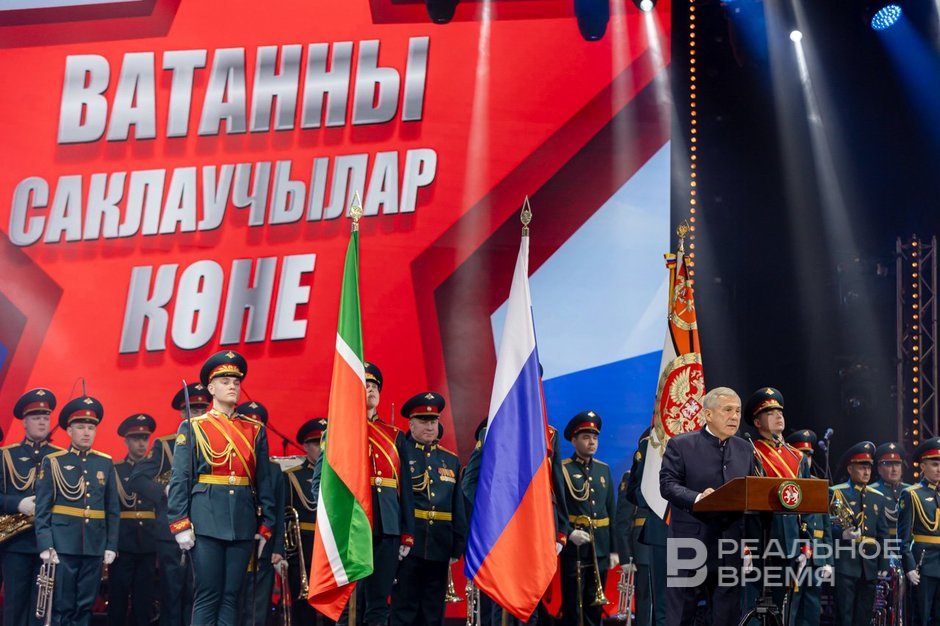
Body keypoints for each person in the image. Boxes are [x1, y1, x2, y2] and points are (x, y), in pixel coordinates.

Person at [166, 351, 277, 626]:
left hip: (242, 519)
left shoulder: (254, 430)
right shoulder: (193, 427)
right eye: (225, 381)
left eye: (236, 382)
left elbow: (264, 481)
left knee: (231, 596)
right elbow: (181, 478)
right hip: (206, 520)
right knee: (208, 594)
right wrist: (179, 522)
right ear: (211, 388)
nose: (232, 386)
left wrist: (267, 523)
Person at [313, 362, 415, 626]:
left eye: (374, 386)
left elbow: (405, 489)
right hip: (351, 525)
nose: (370, 390)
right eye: (365, 385)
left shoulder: (395, 435)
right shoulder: (338, 432)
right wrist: (332, 518)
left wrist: (406, 531)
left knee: (379, 602)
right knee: (349, 602)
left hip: (387, 526)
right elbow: (319, 482)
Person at [659, 386, 755, 626]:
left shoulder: (745, 448)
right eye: (727, 410)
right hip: (689, 543)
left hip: (729, 546)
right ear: (708, 414)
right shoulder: (681, 444)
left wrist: (747, 543)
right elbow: (668, 485)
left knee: (726, 616)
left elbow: (750, 493)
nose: (734, 416)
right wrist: (699, 498)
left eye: (738, 411)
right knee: (681, 616)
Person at [127, 382, 210, 626]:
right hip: (170, 530)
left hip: (206, 528)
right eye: (192, 410)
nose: (197, 415)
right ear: (183, 413)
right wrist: (164, 490)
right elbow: (137, 478)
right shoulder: (166, 445)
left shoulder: (216, 443)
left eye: (202, 410)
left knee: (198, 595)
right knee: (172, 595)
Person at [34, 394, 120, 626]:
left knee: (85, 604)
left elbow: (112, 509)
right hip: (62, 545)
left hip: (94, 544)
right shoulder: (54, 461)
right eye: (80, 427)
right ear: (69, 430)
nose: (86, 432)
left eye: (91, 428)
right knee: (62, 604)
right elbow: (42, 509)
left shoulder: (105, 462)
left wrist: (111, 545)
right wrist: (46, 544)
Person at [390, 392, 467, 626]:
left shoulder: (450, 460)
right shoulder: (399, 454)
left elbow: (457, 505)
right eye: (424, 421)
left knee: (433, 612)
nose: (430, 426)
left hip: (440, 544)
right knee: (405, 610)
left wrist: (457, 544)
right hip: (409, 545)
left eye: (433, 421)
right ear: (411, 424)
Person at [744, 388, 811, 614]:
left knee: (780, 607)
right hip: (759, 539)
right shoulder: (750, 452)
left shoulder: (797, 456)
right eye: (770, 413)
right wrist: (744, 545)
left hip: (789, 540)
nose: (778, 416)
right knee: (753, 607)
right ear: (757, 422)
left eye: (780, 412)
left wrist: (805, 543)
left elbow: (806, 503)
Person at [1, 388, 62, 626]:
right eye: (36, 417)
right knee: (15, 604)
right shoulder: (6, 456)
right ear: (25, 422)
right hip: (16, 543)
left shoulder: (61, 457)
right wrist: (17, 503)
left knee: (43, 607)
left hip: (51, 543)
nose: (42, 422)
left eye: (45, 417)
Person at [558, 411, 617, 626]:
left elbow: (611, 510)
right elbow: (556, 509)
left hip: (600, 546)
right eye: (585, 437)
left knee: (595, 602)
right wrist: (569, 533)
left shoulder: (603, 470)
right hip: (575, 546)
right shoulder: (563, 469)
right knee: (573, 601)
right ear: (573, 441)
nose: (592, 442)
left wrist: (614, 550)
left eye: (594, 438)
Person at [235, 401, 286, 626]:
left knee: (259, 606)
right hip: (236, 541)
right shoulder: (230, 462)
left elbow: (279, 509)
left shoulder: (274, 470)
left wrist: (278, 548)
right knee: (233, 602)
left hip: (265, 546)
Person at [829, 441, 890, 626]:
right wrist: (842, 535)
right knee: (844, 615)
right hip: (845, 563)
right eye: (862, 467)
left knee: (864, 615)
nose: (866, 472)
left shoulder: (877, 497)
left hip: (869, 565)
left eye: (868, 468)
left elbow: (883, 533)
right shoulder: (836, 493)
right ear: (850, 469)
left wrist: (884, 561)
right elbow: (826, 527)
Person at [108, 413, 158, 626]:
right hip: (123, 541)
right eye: (136, 438)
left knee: (144, 599)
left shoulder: (156, 470)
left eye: (145, 438)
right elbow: (110, 508)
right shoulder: (115, 469)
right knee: (117, 597)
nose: (141, 443)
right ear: (126, 441)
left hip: (149, 541)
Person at [783, 428, 833, 626]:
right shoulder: (786, 485)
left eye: (809, 455)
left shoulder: (818, 485)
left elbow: (826, 528)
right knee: (792, 607)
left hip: (816, 557)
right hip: (795, 554)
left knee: (812, 609)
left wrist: (828, 560)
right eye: (802, 455)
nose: (806, 460)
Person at [284, 418, 329, 625]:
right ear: (305, 446)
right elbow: (284, 516)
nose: (322, 447)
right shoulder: (292, 476)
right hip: (305, 549)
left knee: (334, 609)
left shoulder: (341, 475)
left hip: (332, 549)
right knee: (303, 612)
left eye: (326, 442)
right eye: (316, 443)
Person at [623, 427, 667, 626]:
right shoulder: (648, 442)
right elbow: (623, 519)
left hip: (691, 534)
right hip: (651, 537)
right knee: (650, 599)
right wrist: (624, 554)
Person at [898, 437, 940, 624]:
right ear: (922, 466)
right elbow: (904, 536)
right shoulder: (912, 494)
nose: (939, 469)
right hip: (923, 564)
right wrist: (909, 566)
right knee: (921, 617)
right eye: (934, 464)